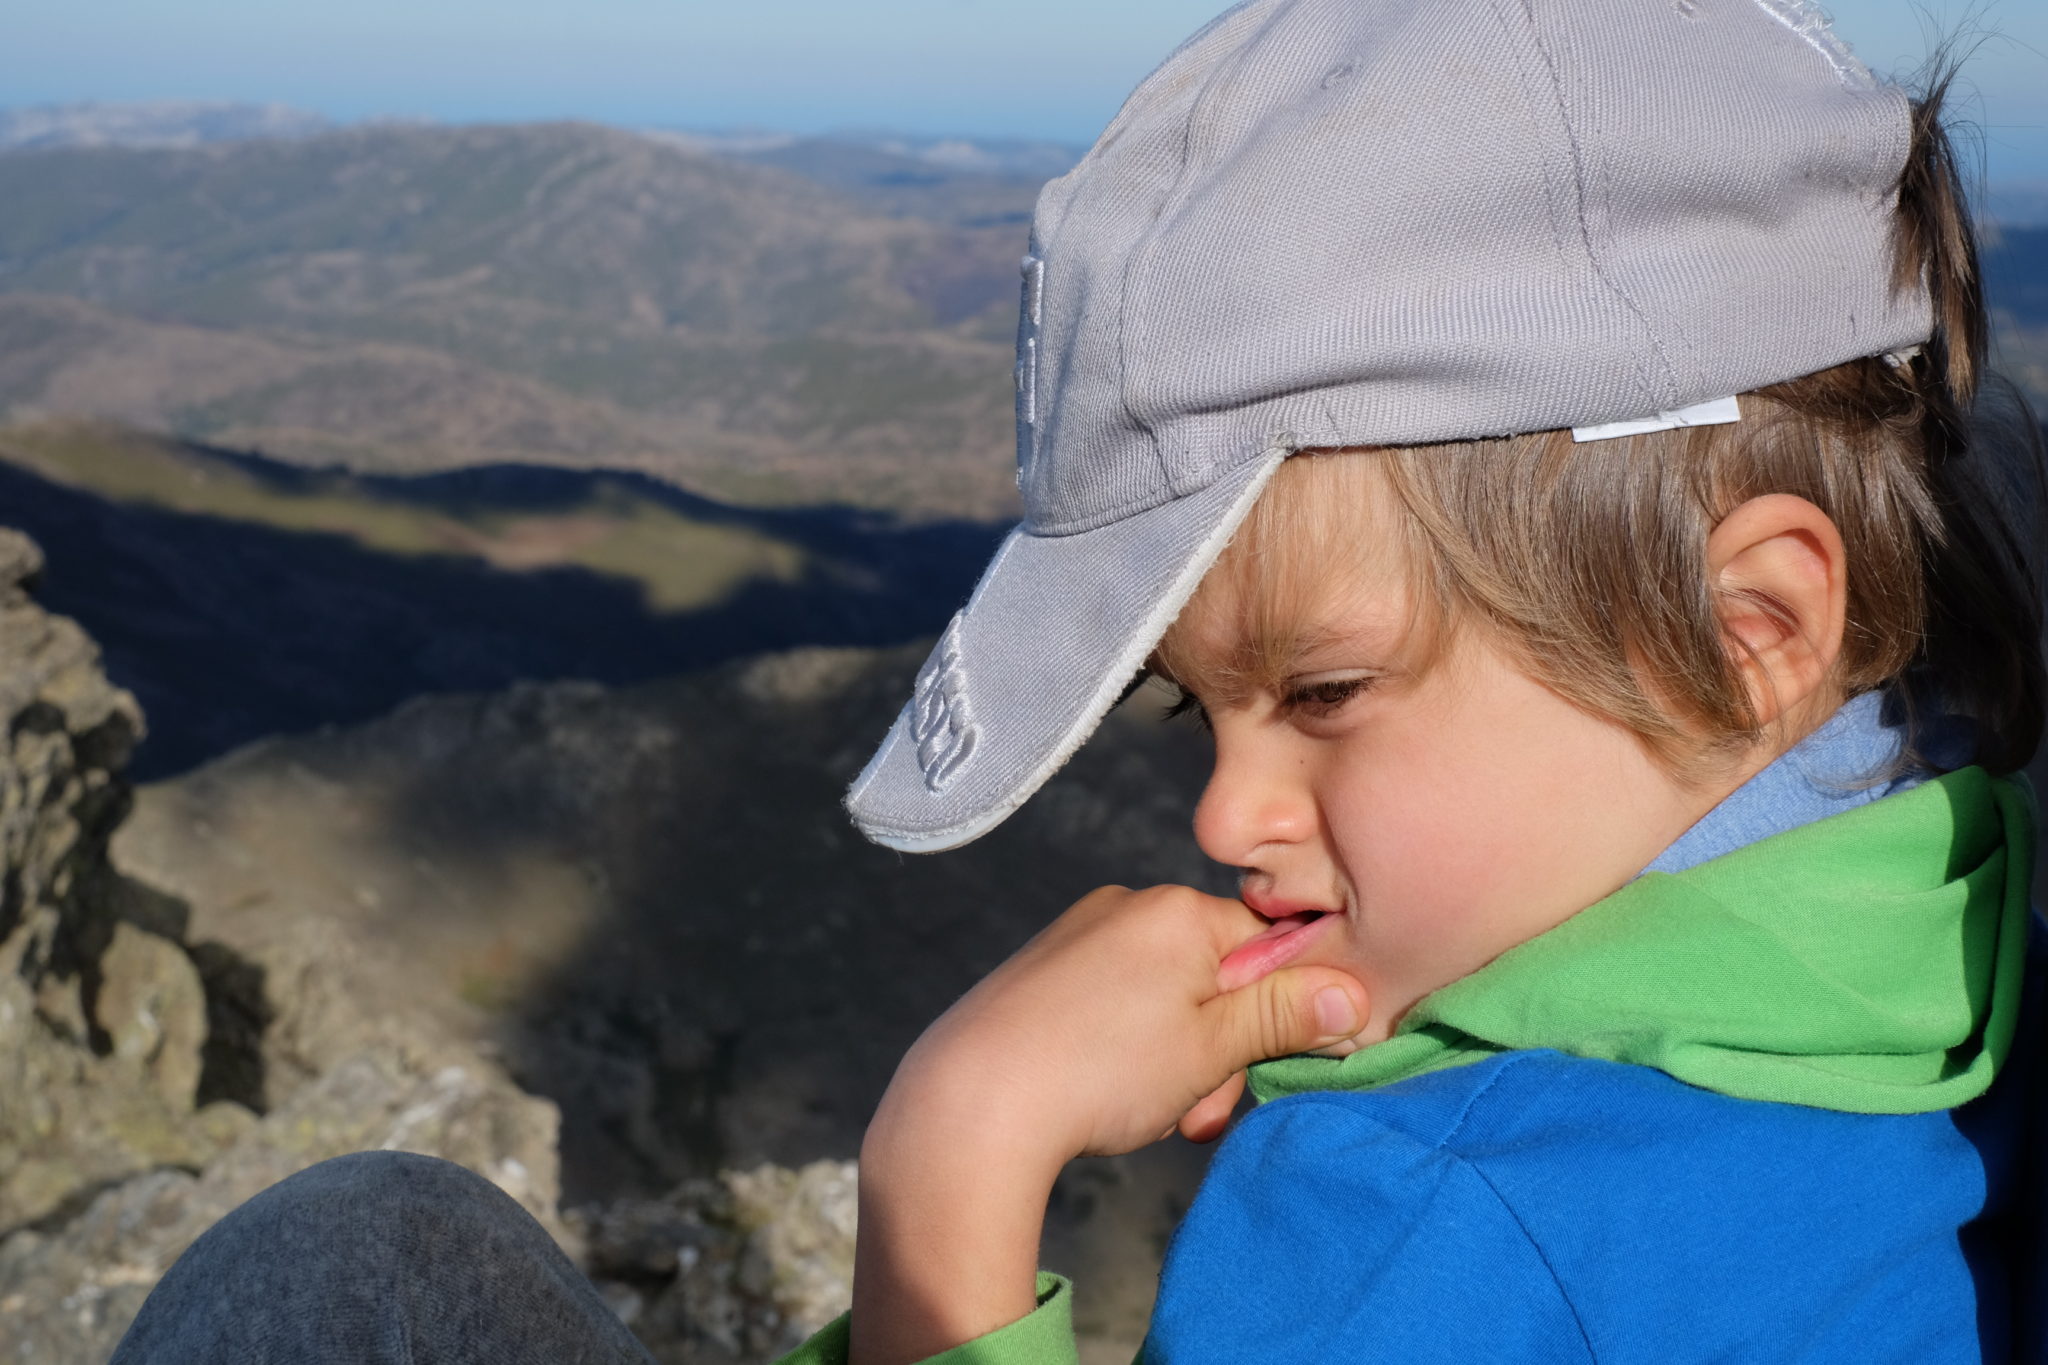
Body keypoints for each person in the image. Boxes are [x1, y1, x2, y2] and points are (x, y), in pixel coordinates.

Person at [110, 1, 2045, 1362]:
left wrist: (951, 1179)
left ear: (1749, 629)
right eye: (1202, 713)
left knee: (348, 1277)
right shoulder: (1970, 925)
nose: (1222, 814)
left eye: (1332, 686)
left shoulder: (1421, 1219)